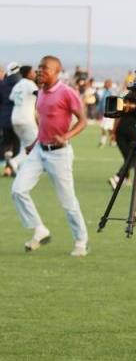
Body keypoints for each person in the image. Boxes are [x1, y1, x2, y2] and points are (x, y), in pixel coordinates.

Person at [10, 55, 89, 257]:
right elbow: (45, 123)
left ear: (56, 71)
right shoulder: (41, 93)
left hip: (60, 154)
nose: (39, 71)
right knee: (18, 190)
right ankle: (39, 229)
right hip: (39, 151)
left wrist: (67, 136)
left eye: (44, 68)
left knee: (68, 201)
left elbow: (82, 121)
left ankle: (81, 241)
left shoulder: (67, 93)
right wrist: (34, 143)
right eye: (39, 67)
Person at [7, 66, 38, 174]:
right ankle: (15, 162)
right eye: (33, 72)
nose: (35, 74)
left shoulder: (18, 85)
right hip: (26, 119)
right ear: (28, 74)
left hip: (15, 118)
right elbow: (38, 94)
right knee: (36, 144)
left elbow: (11, 97)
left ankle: (21, 167)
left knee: (24, 146)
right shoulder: (30, 84)